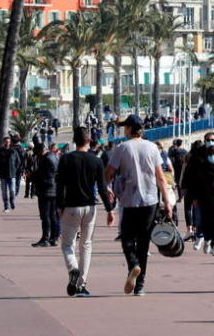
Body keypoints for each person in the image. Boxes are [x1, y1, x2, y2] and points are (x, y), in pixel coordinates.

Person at [104, 114, 173, 296]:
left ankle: (133, 265)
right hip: (150, 201)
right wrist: (167, 201)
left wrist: (106, 187)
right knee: (144, 243)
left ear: (129, 129)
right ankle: (140, 286)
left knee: (127, 238)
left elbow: (108, 173)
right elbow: (160, 176)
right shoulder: (152, 147)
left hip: (129, 201)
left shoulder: (121, 148)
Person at [57, 127, 114, 297]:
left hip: (71, 206)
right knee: (86, 245)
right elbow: (102, 188)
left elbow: (60, 185)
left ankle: (73, 268)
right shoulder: (95, 161)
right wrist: (109, 209)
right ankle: (81, 284)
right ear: (88, 140)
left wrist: (59, 206)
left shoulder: (66, 159)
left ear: (74, 140)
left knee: (68, 244)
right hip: (90, 207)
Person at [31, 143, 60, 247]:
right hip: (54, 190)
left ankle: (45, 238)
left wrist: (33, 176)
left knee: (45, 215)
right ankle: (54, 237)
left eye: (37, 154)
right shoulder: (54, 157)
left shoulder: (45, 159)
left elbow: (44, 175)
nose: (37, 156)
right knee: (53, 215)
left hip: (46, 190)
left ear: (40, 151)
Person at [0, 136, 22, 213]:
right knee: (4, 192)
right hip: (3, 175)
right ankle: (6, 206)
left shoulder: (13, 151)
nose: (7, 143)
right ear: (3, 142)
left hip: (12, 174)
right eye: (6, 142)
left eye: (8, 142)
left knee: (12, 190)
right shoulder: (0, 152)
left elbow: (18, 162)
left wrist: (15, 169)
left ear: (10, 143)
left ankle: (12, 201)